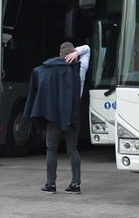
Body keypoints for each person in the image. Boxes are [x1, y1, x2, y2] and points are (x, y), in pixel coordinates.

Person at [23, 42, 90, 194]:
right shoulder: (81, 67)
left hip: (53, 116)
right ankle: (75, 184)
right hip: (72, 115)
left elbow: (36, 79)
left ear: (60, 55)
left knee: (51, 149)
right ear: (73, 54)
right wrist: (78, 53)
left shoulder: (47, 69)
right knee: (72, 148)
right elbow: (87, 49)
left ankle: (50, 184)